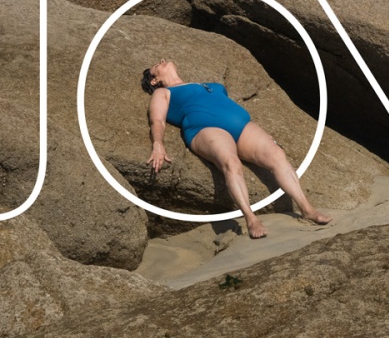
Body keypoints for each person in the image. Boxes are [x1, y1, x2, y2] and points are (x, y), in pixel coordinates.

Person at [141, 57, 331, 239]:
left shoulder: (204, 84)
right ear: (156, 80)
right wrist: (158, 144)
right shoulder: (163, 92)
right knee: (231, 163)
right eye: (157, 65)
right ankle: (251, 218)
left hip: (242, 127)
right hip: (205, 128)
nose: (163, 61)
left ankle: (307, 209)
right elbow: (157, 120)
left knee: (276, 154)